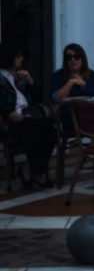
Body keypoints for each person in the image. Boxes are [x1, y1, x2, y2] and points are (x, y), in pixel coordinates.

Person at [0, 44, 57, 188]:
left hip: (27, 116)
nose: (21, 59)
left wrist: (31, 82)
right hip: (10, 120)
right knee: (35, 132)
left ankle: (29, 169)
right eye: (18, 56)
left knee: (52, 129)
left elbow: (37, 99)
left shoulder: (19, 77)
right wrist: (7, 113)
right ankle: (37, 174)